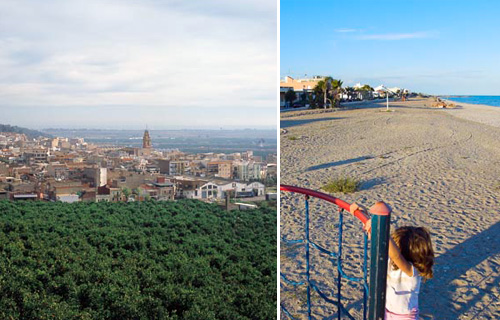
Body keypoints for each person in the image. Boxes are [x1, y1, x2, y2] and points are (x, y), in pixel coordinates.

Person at [349, 203, 435, 320]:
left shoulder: (412, 272)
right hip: (386, 310)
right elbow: (376, 237)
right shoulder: (390, 260)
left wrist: (377, 226)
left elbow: (396, 256)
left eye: (395, 244)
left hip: (404, 317)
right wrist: (365, 215)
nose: (390, 246)